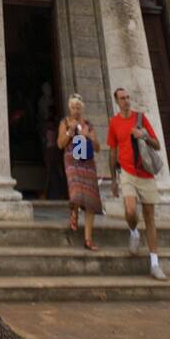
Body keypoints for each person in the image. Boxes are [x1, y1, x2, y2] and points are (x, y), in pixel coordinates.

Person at [107, 86, 167, 280]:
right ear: (116, 101)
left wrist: (144, 136)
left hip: (146, 173)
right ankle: (133, 231)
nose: (126, 100)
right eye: (122, 98)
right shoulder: (114, 123)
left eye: (128, 97)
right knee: (131, 211)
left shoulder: (140, 119)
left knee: (150, 218)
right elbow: (112, 151)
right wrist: (113, 180)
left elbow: (157, 144)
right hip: (127, 172)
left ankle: (155, 263)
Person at [57, 94, 102, 249]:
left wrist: (88, 136)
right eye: (73, 107)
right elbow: (60, 144)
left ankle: (88, 239)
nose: (76, 110)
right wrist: (70, 132)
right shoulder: (64, 122)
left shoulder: (88, 124)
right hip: (72, 160)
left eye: (78, 107)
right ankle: (74, 212)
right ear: (70, 108)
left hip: (87, 162)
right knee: (76, 193)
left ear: (82, 108)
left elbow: (98, 148)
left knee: (90, 199)